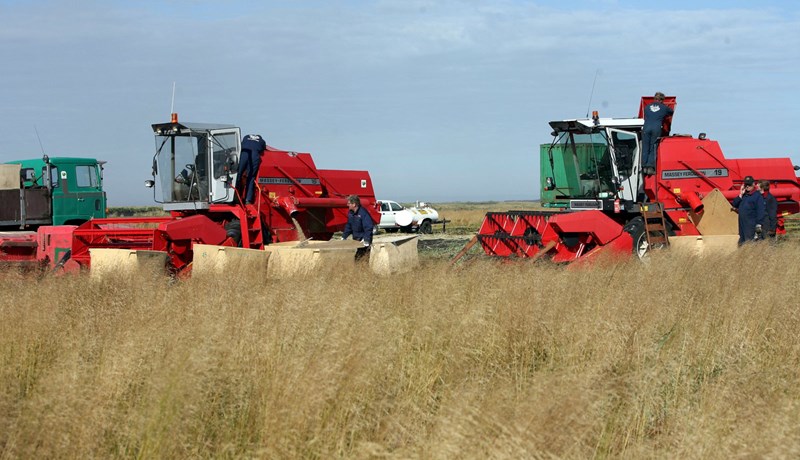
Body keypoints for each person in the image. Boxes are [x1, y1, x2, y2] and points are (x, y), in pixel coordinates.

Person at [641, 92, 674, 176]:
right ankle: (650, 167)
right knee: (653, 147)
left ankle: (643, 167)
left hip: (646, 128)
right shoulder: (664, 107)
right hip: (656, 128)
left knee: (645, 147)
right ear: (662, 100)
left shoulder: (647, 107)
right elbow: (671, 111)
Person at [732, 175, 766, 246]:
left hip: (751, 227)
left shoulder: (757, 196)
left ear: (753, 184)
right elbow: (734, 204)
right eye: (746, 184)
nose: (747, 186)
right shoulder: (744, 195)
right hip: (742, 226)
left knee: (750, 245)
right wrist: (740, 194)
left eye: (749, 184)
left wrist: (759, 224)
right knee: (742, 244)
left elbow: (761, 211)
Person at [341, 195, 374, 260]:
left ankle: (363, 270)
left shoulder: (363, 213)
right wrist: (344, 236)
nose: (347, 205)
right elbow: (349, 226)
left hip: (363, 240)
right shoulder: (351, 213)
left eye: (349, 203)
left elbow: (368, 227)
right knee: (357, 258)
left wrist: (366, 239)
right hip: (356, 239)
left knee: (361, 259)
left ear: (354, 204)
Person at [238, 134, 266, 204]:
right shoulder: (261, 140)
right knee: (251, 177)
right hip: (255, 155)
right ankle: (248, 199)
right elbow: (263, 149)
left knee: (238, 175)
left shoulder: (246, 137)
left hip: (244, 153)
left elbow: (240, 146)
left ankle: (235, 196)